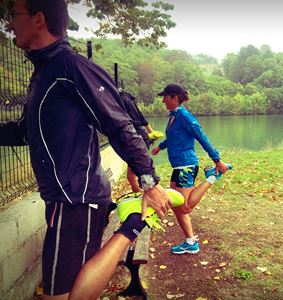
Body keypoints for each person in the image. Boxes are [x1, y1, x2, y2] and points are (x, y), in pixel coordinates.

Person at [0, 0, 171, 299]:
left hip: (75, 198)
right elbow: (25, 131)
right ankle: (133, 223)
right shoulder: (44, 72)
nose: (10, 23)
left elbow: (119, 125)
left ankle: (133, 223)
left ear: (38, 19)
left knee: (62, 296)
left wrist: (149, 182)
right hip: (65, 197)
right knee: (67, 292)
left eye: (14, 15)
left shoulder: (71, 67)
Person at [152, 83, 232, 255]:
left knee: (185, 207)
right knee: (175, 204)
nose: (163, 100)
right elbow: (174, 137)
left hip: (186, 165)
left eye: (165, 96)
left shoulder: (185, 117)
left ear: (175, 97)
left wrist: (217, 159)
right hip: (178, 165)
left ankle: (212, 177)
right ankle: (190, 242)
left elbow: (201, 137)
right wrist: (161, 146)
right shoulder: (174, 116)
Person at [119, 89, 163, 192]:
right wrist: (150, 131)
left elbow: (138, 119)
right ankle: (145, 196)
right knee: (134, 176)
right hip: (137, 137)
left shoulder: (123, 99)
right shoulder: (125, 98)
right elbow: (140, 117)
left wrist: (149, 132)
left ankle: (151, 194)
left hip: (136, 139)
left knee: (141, 174)